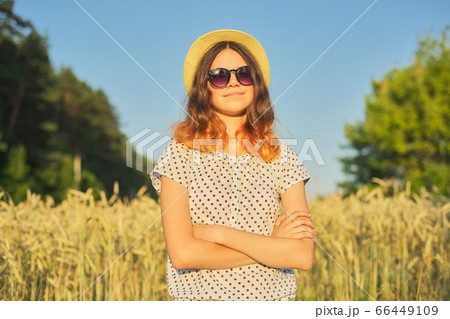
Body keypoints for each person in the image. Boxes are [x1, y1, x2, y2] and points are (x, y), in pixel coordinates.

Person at [150, 29, 316, 301]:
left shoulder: (282, 158)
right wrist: (272, 246)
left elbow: (302, 255)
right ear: (203, 88)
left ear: (256, 83)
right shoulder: (180, 154)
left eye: (244, 73)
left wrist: (217, 233)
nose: (233, 83)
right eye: (219, 76)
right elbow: (182, 255)